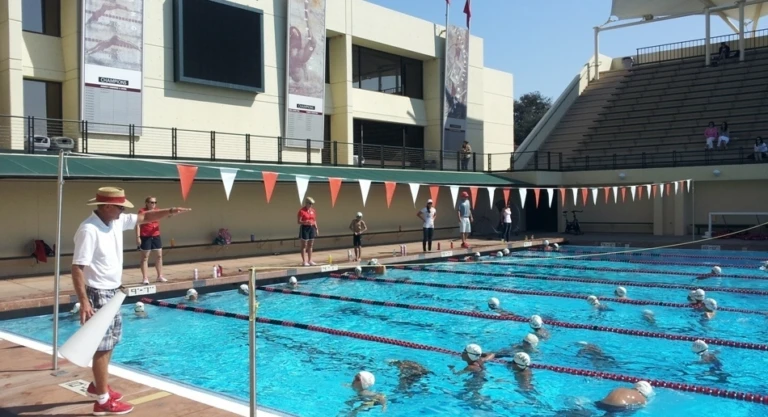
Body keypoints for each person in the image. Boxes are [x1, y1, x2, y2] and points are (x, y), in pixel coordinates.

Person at [71, 186, 190, 415]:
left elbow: (145, 217)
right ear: (107, 206)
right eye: (119, 207)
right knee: (102, 347)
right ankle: (102, 401)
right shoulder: (89, 230)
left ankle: (98, 386)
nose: (122, 211)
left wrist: (171, 211)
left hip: (113, 290)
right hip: (97, 292)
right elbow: (77, 268)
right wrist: (84, 302)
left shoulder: (114, 221)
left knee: (111, 342)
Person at [136, 196, 167, 285]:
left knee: (159, 256)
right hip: (145, 236)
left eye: (155, 202)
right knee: (145, 258)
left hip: (156, 235)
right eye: (151, 202)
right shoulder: (142, 211)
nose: (153, 204)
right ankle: (145, 278)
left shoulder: (157, 211)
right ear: (147, 203)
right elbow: (137, 224)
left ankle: (160, 276)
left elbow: (166, 214)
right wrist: (137, 237)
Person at [297, 197, 319, 266]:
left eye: (312, 204)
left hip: (311, 228)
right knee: (304, 245)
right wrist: (305, 222)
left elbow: (314, 220)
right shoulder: (301, 211)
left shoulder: (313, 211)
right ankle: (304, 261)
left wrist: (316, 228)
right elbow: (298, 221)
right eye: (310, 203)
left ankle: (310, 260)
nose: (311, 205)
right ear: (306, 203)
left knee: (311, 244)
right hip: (305, 228)